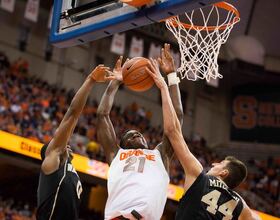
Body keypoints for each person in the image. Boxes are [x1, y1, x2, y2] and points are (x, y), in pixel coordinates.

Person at [150, 64, 260, 219]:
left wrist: (164, 86)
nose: (214, 164)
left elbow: (172, 131)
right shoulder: (241, 206)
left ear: (224, 172)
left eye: (220, 163)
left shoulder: (199, 176)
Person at [97, 43, 183, 220]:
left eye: (139, 134)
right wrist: (115, 82)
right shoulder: (115, 154)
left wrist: (171, 77)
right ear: (122, 144)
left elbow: (178, 116)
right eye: (130, 135)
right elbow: (102, 115)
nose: (136, 134)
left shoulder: (161, 154)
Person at [36, 64, 110, 220]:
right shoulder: (51, 162)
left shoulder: (70, 171)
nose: (66, 144)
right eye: (56, 144)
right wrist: (90, 80)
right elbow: (72, 114)